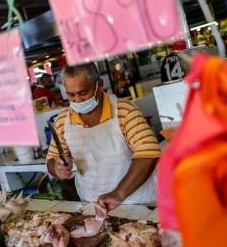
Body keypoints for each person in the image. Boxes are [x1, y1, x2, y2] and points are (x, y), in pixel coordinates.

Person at [46, 63, 159, 212]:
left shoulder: (125, 111)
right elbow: (52, 159)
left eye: (83, 93)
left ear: (99, 85)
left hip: (137, 202)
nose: (78, 100)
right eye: (71, 95)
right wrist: (56, 167)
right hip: (92, 204)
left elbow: (148, 154)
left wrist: (119, 193)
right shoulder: (62, 122)